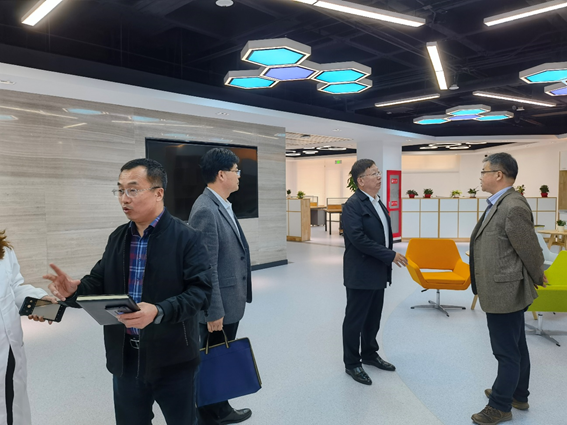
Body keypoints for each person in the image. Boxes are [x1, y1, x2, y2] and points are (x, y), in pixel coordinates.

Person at [43, 158, 212, 425]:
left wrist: (158, 310)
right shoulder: (118, 237)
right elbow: (99, 282)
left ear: (158, 193)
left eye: (133, 189)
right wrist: (75, 290)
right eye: (120, 190)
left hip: (174, 359)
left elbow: (200, 293)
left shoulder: (187, 238)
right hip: (126, 358)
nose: (124, 198)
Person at [470, 152, 544, 425]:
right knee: (517, 345)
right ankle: (518, 394)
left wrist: (538, 275)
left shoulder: (513, 206)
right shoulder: (499, 203)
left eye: (484, 172)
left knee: (506, 351)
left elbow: (530, 248)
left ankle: (500, 405)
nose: (480, 177)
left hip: (506, 291)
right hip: (502, 287)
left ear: (498, 174)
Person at [188, 148, 252, 425]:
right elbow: (205, 267)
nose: (240, 176)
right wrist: (213, 311)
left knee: (219, 357)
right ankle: (213, 413)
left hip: (229, 300)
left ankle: (217, 408)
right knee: (213, 358)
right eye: (236, 171)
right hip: (219, 307)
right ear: (221, 174)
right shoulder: (205, 210)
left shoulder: (221, 204)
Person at [341, 159, 407, 385]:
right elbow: (358, 239)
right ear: (361, 180)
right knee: (355, 319)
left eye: (378, 172)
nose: (379, 177)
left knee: (373, 317)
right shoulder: (353, 205)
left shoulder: (378, 202)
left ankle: (369, 353)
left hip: (378, 271)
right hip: (361, 273)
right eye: (374, 173)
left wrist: (386, 258)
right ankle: (352, 363)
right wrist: (390, 255)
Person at [0, 230, 57, 425]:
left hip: (7, 348)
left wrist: (39, 301)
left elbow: (14, 287)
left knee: (11, 406)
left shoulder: (4, 251)